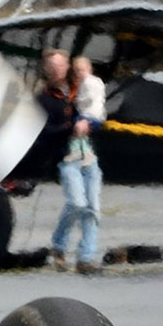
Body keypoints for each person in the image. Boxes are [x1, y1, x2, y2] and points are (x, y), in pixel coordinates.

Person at [46, 53, 106, 272]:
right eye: (53, 66)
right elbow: (45, 131)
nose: (57, 69)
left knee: (93, 208)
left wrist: (90, 124)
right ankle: (59, 245)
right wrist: (69, 127)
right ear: (47, 69)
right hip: (67, 158)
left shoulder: (82, 89)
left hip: (88, 156)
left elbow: (97, 118)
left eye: (61, 65)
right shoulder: (46, 99)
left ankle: (86, 258)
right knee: (77, 203)